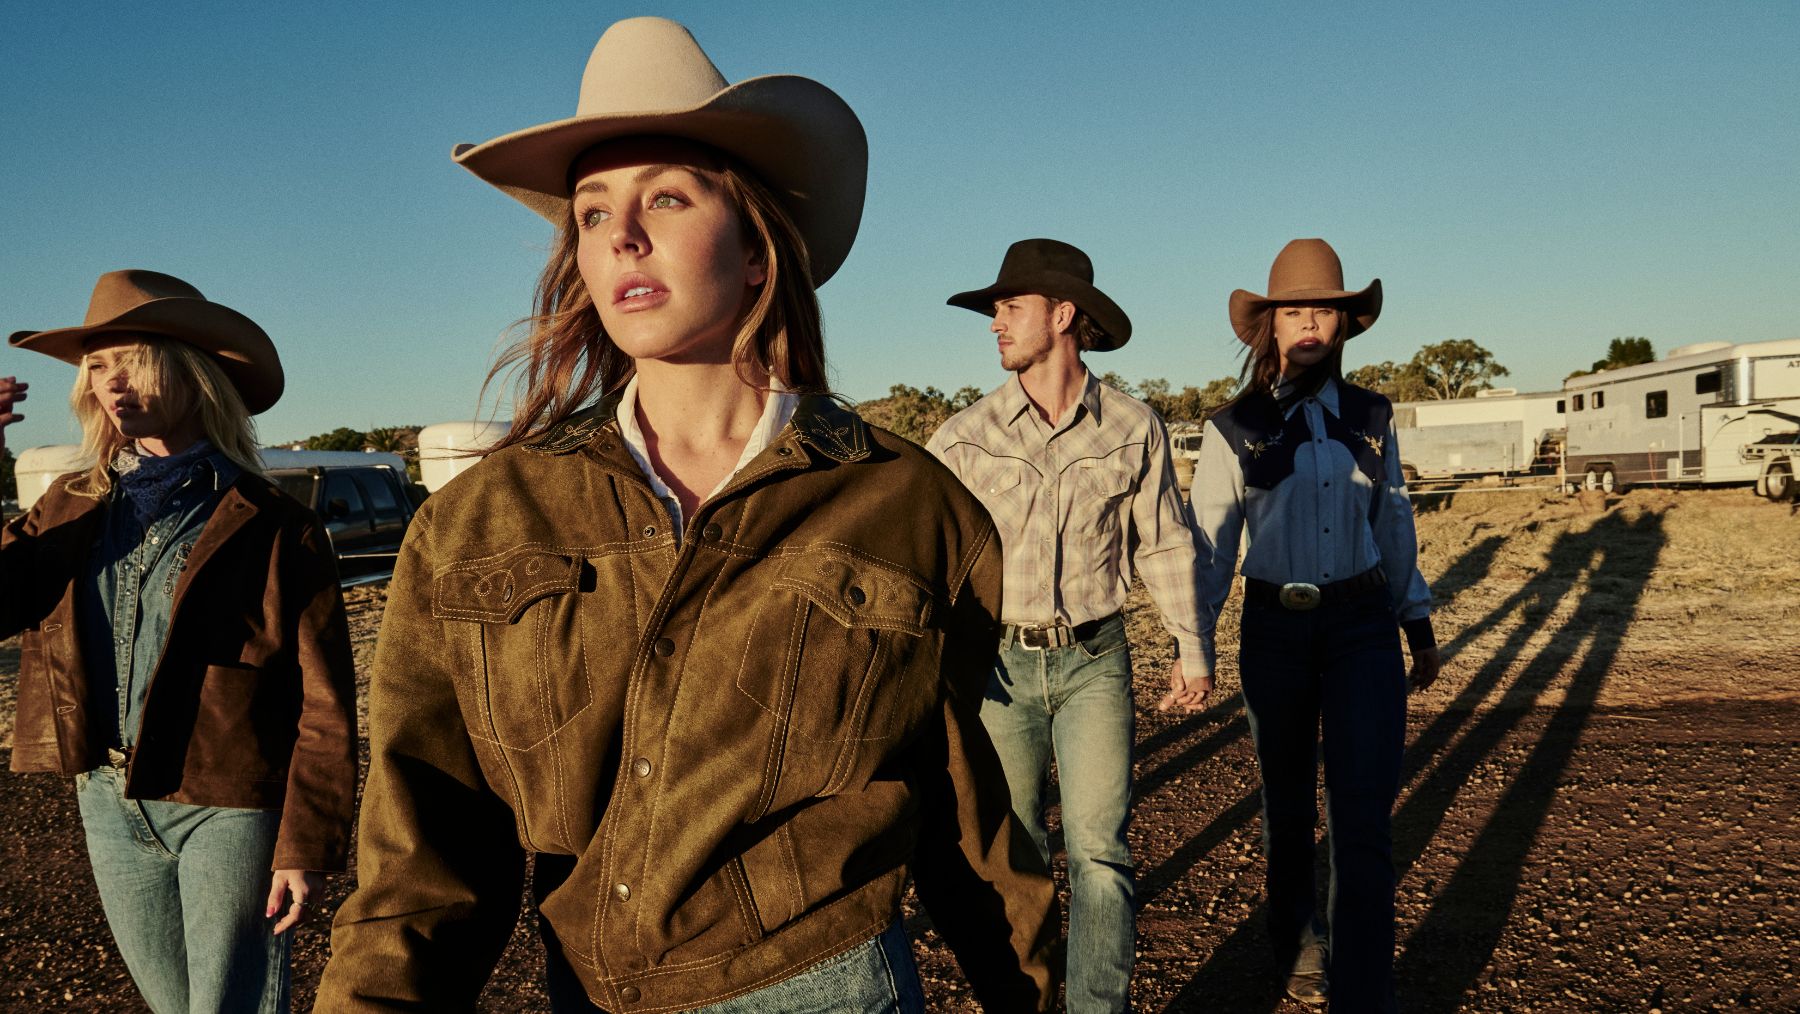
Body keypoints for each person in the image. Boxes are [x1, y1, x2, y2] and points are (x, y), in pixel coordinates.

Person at [316, 17, 1059, 1013]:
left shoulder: (909, 505)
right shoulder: (483, 520)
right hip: (589, 988)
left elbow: (965, 815)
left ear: (757, 250)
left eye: (665, 197)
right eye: (590, 213)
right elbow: (421, 850)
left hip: (828, 987)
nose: (620, 233)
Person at [1, 269, 359, 1012]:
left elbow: (323, 702)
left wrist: (306, 843)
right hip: (108, 796)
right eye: (98, 365)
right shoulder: (71, 506)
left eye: (132, 359)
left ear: (191, 370)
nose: (111, 383)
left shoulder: (271, 520)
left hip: (229, 806)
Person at [927, 239, 1210, 1012]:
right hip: (998, 669)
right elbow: (927, 556)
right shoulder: (963, 437)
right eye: (994, 311)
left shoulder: (1132, 425)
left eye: (1009, 308)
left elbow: (1163, 540)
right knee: (1013, 856)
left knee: (1100, 855)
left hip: (1095, 658)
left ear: (1062, 315)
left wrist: (1193, 647)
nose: (995, 324)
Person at [1190, 238, 1442, 1010]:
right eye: (1294, 311)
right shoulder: (1234, 428)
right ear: (1269, 325)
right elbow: (1209, 547)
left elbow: (1392, 519)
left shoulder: (1373, 416)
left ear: (1343, 326)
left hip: (1363, 626)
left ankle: (1366, 989)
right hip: (1274, 632)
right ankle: (1297, 946)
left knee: (1364, 818)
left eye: (1324, 313)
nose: (1310, 325)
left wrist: (1416, 618)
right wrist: (1191, 645)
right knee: (1291, 808)